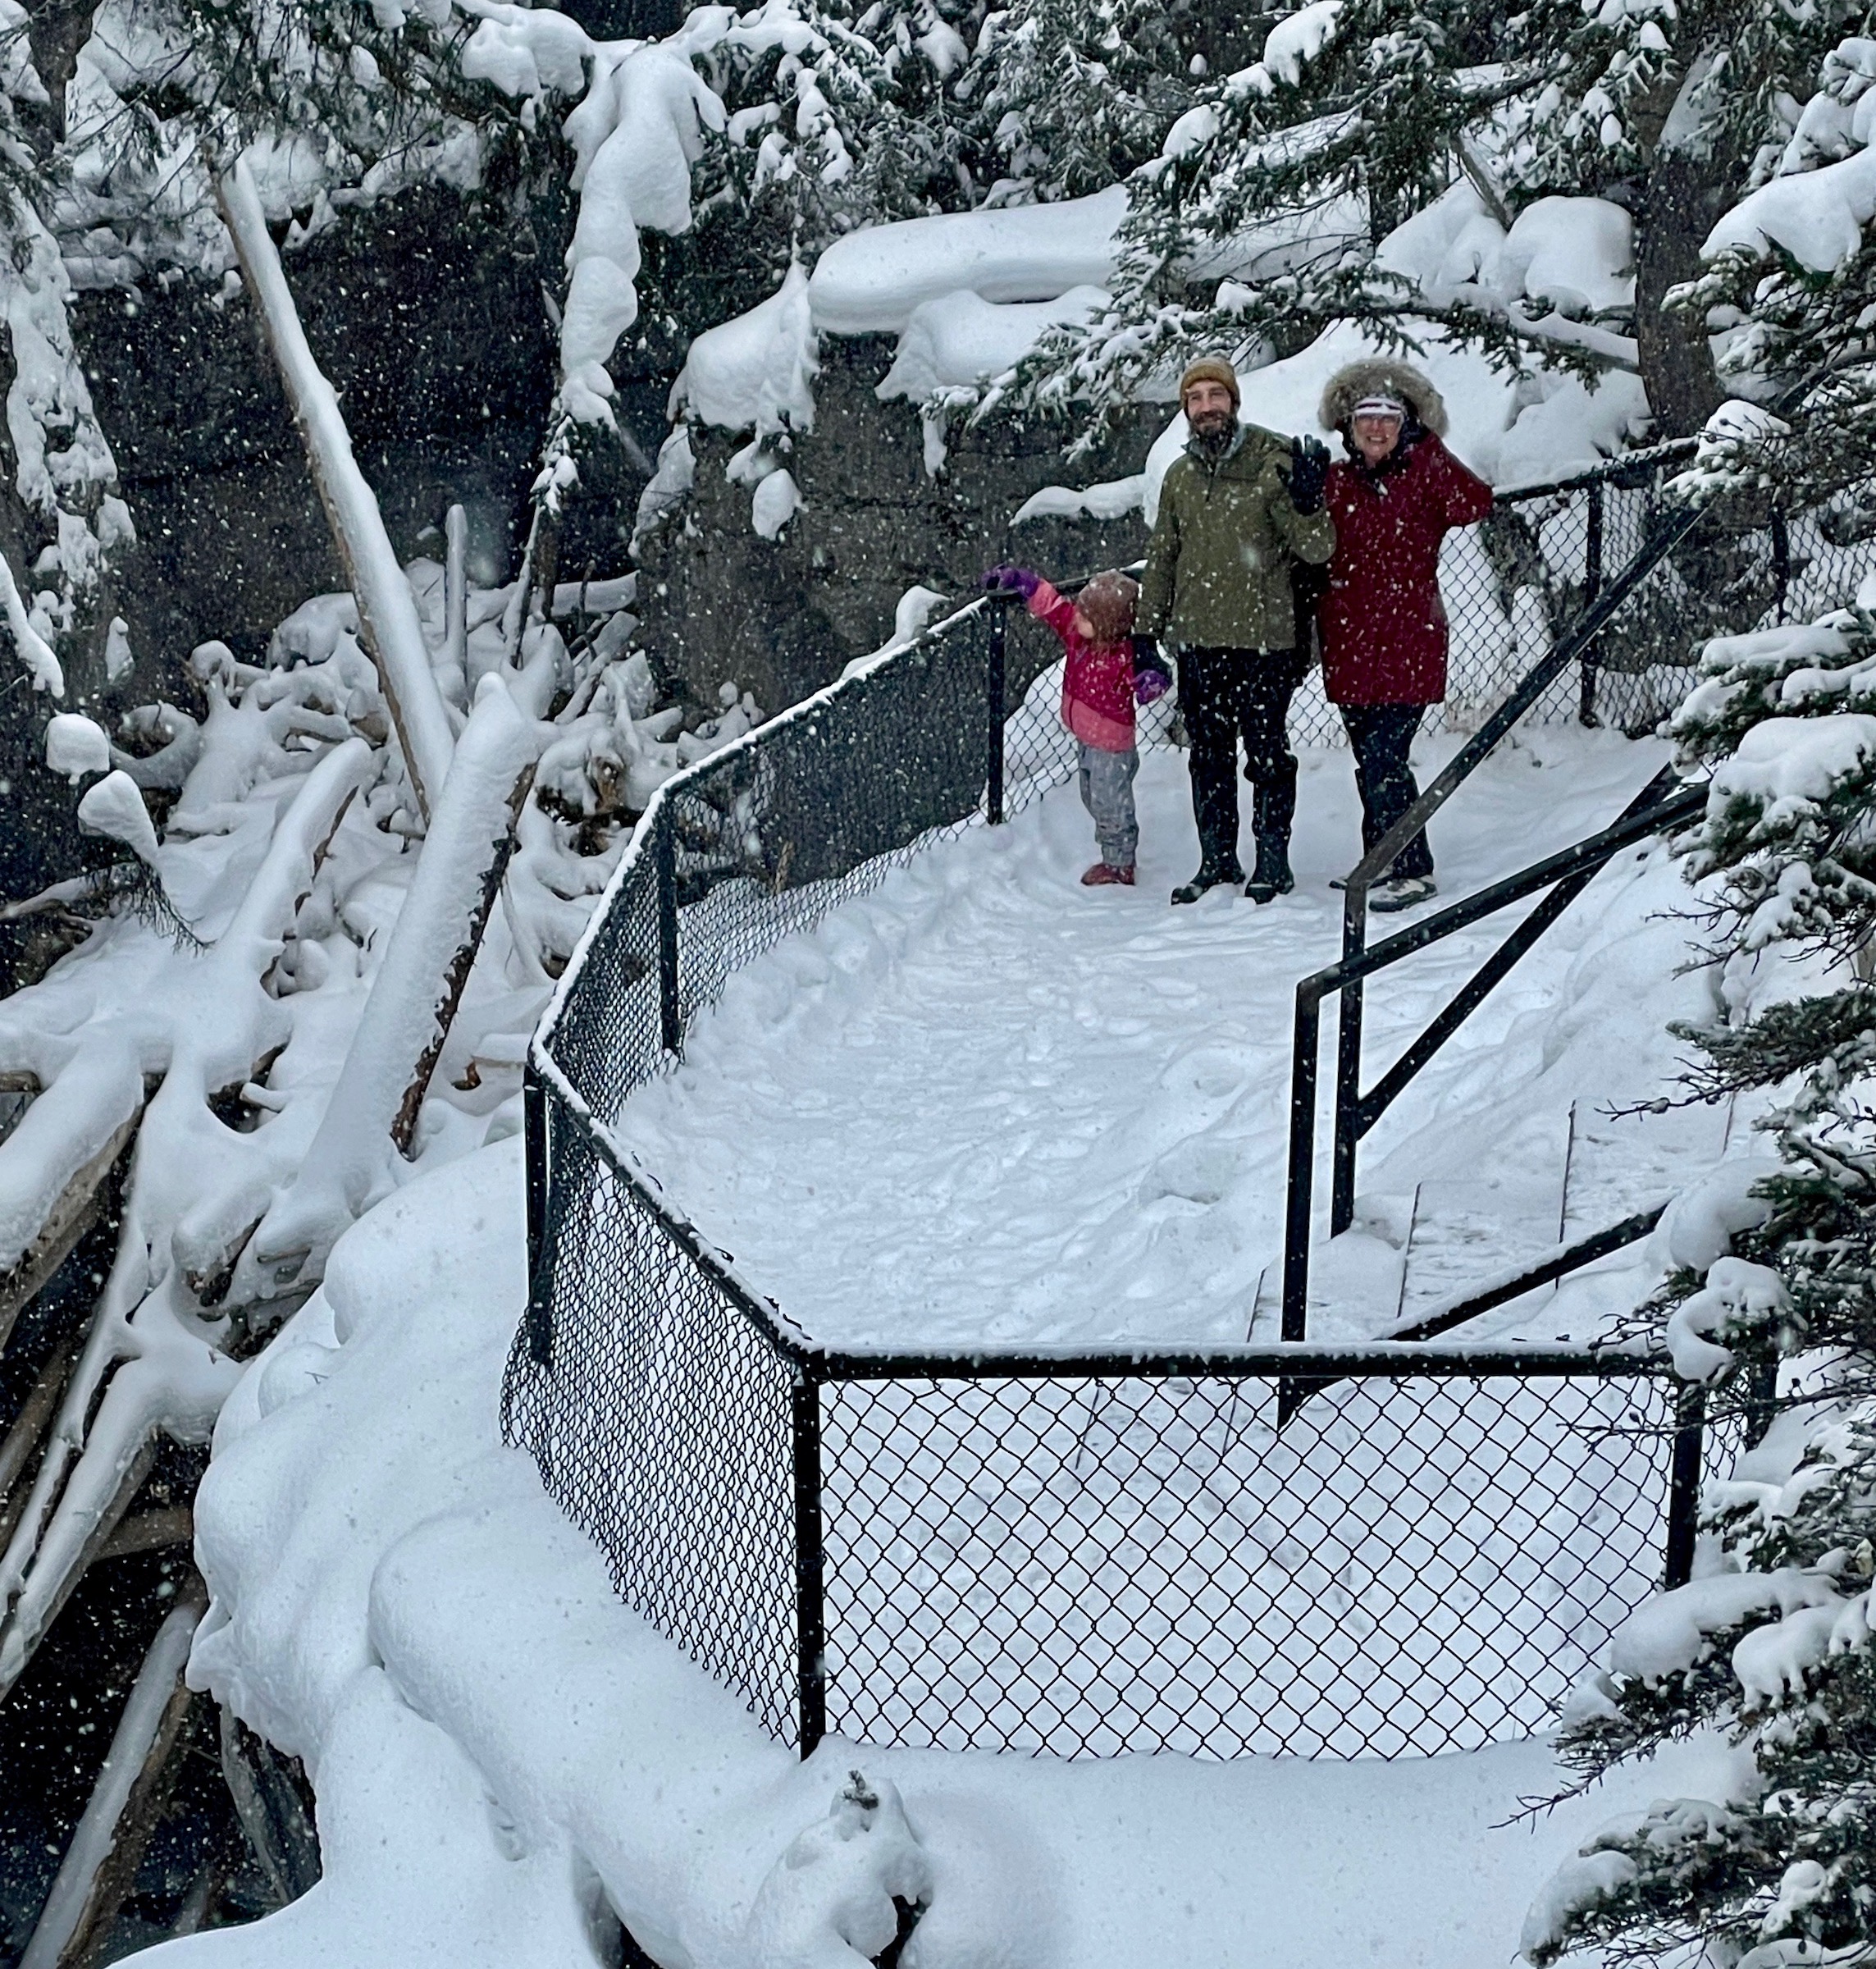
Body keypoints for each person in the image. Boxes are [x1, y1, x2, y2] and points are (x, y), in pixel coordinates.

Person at [1137, 357, 1335, 906]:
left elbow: (1316, 548)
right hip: (1199, 641)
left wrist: (1307, 501)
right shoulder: (1180, 476)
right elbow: (1162, 556)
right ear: (1185, 409)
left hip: (1263, 642)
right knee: (1208, 757)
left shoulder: (1272, 465)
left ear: (1233, 401)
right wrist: (1144, 630)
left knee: (1267, 756)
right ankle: (1217, 861)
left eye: (1214, 395)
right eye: (1195, 398)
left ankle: (1272, 863)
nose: (1206, 406)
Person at [1316, 359, 1494, 911]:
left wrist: (1430, 447)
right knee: (1369, 760)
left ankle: (1413, 868)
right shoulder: (1334, 481)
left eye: (1390, 417)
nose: (1376, 427)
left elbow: (1474, 503)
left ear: (1406, 424)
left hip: (1407, 643)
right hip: (1346, 643)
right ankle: (1381, 857)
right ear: (1347, 424)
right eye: (1366, 415)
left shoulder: (1422, 473)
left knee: (1385, 758)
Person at [983, 564, 1171, 887]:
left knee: (1110, 802)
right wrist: (1025, 583)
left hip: (1111, 747)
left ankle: (1120, 863)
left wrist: (1151, 681)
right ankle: (1115, 849)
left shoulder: (1123, 656)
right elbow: (1054, 607)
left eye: (1087, 616)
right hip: (1087, 739)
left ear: (1108, 626)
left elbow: (1153, 677)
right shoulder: (1077, 637)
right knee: (1093, 797)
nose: (1077, 617)